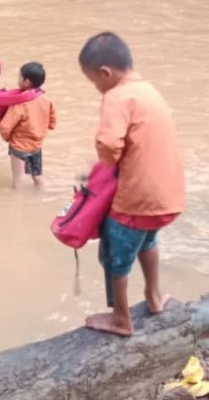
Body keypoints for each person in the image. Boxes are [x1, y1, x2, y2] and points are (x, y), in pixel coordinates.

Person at [79, 31, 185, 337]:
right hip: (166, 194)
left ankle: (121, 318)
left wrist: (106, 165)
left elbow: (109, 143)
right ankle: (154, 297)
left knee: (115, 251)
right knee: (147, 241)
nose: (96, 88)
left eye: (93, 81)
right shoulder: (147, 90)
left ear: (105, 73)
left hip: (137, 198)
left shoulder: (116, 97)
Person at [0, 62, 56, 189]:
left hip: (19, 146)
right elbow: (52, 121)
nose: (17, 80)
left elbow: (5, 127)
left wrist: (8, 139)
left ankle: (17, 206)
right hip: (37, 145)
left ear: (27, 82)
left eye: (19, 77)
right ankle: (40, 198)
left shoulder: (20, 104)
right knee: (38, 176)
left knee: (18, 180)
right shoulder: (46, 99)